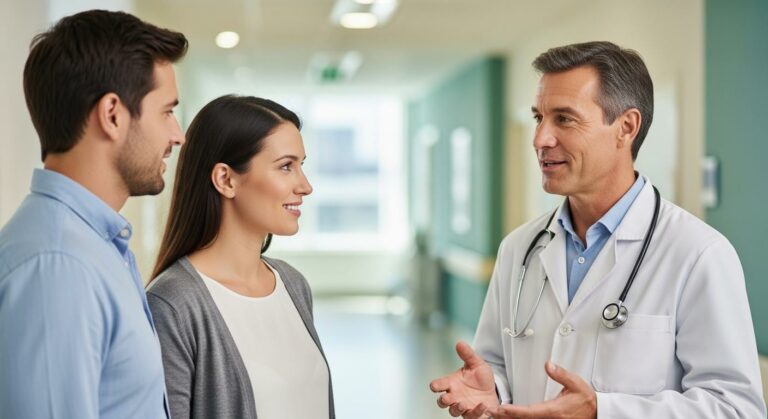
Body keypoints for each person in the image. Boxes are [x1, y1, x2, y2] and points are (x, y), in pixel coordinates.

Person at [430, 41, 766, 418]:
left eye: (564, 119)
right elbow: (500, 365)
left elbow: (737, 409)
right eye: (539, 118)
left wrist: (602, 411)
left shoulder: (698, 253)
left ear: (626, 127)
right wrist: (494, 390)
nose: (541, 139)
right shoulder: (520, 249)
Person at [0, 10, 187, 419]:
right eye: (167, 111)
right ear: (113, 114)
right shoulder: (58, 266)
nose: (178, 134)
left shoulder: (92, 247)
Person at [147, 95, 334, 419]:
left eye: (301, 165)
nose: (305, 186)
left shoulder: (292, 284)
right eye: (286, 166)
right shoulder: (174, 303)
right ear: (226, 179)